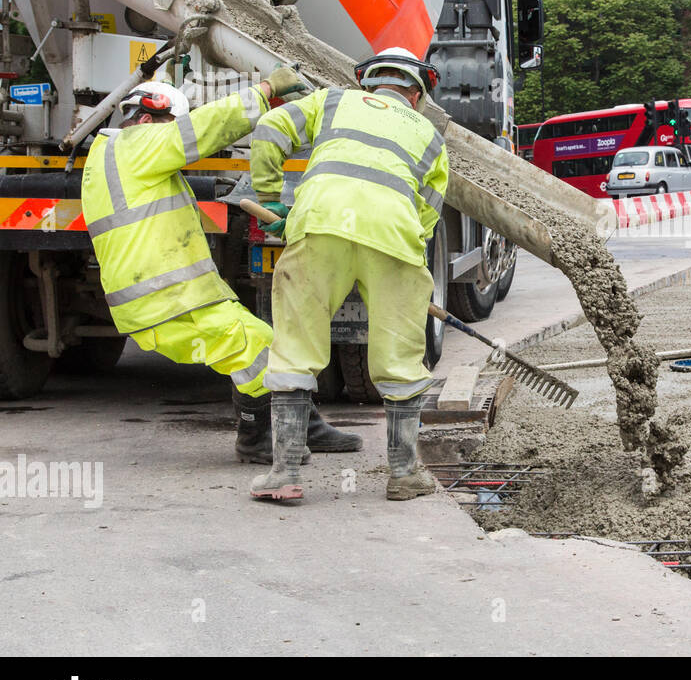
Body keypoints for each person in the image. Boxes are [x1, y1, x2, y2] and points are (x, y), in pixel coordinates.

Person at [80, 76, 360, 463]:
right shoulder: (131, 146)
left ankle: (306, 425)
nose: (172, 135)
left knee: (264, 344)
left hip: (170, 299)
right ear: (147, 119)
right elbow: (205, 127)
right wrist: (265, 90)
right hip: (166, 301)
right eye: (170, 125)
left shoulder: (114, 157)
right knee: (259, 349)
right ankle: (256, 439)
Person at [248, 47, 449, 502]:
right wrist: (403, 272)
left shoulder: (332, 100)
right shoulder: (431, 137)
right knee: (399, 360)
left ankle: (285, 474)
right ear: (416, 94)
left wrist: (272, 197)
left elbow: (268, 128)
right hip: (393, 236)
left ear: (369, 83)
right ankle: (403, 475)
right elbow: (428, 215)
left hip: (319, 223)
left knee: (295, 349)